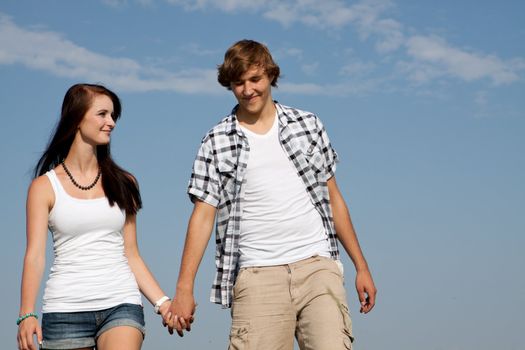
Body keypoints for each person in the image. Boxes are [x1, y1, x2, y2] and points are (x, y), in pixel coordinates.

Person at [168, 39, 377, 349]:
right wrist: (184, 289)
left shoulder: (307, 125)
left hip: (317, 265)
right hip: (257, 274)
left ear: (270, 77)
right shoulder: (216, 140)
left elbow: (334, 198)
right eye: (238, 83)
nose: (248, 89)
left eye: (255, 79)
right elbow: (202, 216)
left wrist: (361, 266)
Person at [17, 83, 172, 350]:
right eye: (102, 114)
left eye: (113, 116)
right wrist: (27, 312)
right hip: (65, 309)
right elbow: (35, 255)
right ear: (77, 118)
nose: (110, 122)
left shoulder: (125, 182)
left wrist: (163, 303)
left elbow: (131, 254)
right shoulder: (43, 187)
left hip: (121, 304)